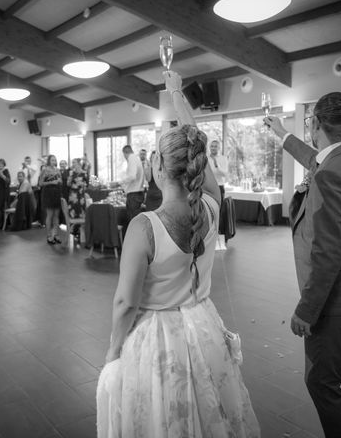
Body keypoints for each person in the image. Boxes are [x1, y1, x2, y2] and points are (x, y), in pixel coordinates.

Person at [97, 70, 257, 437]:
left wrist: (113, 350)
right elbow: (202, 154)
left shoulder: (144, 226)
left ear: (156, 167)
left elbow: (125, 303)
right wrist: (176, 95)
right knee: (210, 414)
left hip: (157, 338)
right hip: (203, 325)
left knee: (162, 418)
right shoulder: (211, 208)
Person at [264, 93, 341, 438]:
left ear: (315, 123)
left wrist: (306, 310)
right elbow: (316, 157)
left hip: (339, 303)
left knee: (321, 382)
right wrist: (282, 134)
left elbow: (328, 253)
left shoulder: (329, 176)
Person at [38, 154, 62, 244]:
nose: (54, 161)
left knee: (56, 215)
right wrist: (51, 182)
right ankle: (49, 236)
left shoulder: (57, 170)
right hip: (48, 193)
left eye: (55, 160)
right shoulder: (44, 170)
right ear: (48, 161)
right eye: (52, 160)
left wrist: (60, 181)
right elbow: (40, 183)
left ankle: (55, 234)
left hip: (57, 193)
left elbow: (60, 181)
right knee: (50, 215)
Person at [119, 145, 145, 224]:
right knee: (135, 220)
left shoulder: (131, 158)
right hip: (137, 193)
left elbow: (132, 176)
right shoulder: (136, 159)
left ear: (125, 153)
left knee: (133, 222)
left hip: (134, 195)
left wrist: (119, 183)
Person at [67, 158, 88, 232]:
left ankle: (80, 231)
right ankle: (72, 231)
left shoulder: (84, 173)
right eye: (72, 162)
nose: (73, 164)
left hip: (81, 195)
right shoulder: (71, 173)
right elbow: (68, 184)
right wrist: (70, 176)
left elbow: (87, 185)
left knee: (81, 211)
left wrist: (82, 184)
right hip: (73, 195)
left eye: (74, 162)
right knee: (73, 212)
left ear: (79, 164)